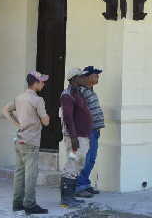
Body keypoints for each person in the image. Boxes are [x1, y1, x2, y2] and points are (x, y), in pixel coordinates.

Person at [2, 71, 50, 215]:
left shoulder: (19, 98)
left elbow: (5, 110)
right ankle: (30, 204)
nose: (43, 84)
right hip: (31, 141)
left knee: (19, 173)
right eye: (41, 81)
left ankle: (17, 204)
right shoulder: (38, 100)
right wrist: (47, 117)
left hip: (20, 139)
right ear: (35, 83)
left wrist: (17, 124)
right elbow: (45, 122)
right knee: (31, 174)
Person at [59, 68, 93, 208]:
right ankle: (66, 198)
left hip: (82, 136)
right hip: (75, 138)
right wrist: (74, 138)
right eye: (81, 77)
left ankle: (71, 196)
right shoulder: (67, 95)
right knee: (72, 164)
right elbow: (67, 117)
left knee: (78, 164)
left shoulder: (77, 93)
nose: (84, 79)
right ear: (74, 79)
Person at [75, 66, 105, 198]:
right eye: (95, 75)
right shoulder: (81, 91)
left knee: (91, 159)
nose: (97, 77)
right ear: (87, 77)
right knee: (86, 159)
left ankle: (85, 184)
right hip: (87, 131)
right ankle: (79, 186)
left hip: (94, 130)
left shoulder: (90, 91)